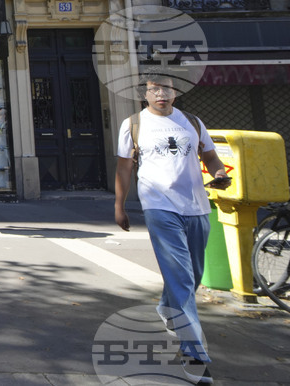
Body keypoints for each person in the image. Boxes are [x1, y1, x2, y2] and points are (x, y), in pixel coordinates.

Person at [115, 74, 231, 386]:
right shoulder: (133, 125)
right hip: (159, 206)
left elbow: (209, 154)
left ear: (175, 93)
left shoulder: (192, 121)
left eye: (166, 89)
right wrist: (119, 205)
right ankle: (194, 354)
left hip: (196, 206)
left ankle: (167, 307)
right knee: (181, 277)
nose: (161, 94)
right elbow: (124, 166)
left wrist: (218, 171)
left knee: (191, 275)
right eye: (154, 90)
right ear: (145, 95)